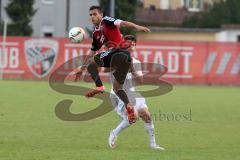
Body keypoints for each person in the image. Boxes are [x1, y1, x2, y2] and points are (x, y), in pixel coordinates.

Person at [75, 6, 151, 124]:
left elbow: (123, 23)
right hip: (124, 58)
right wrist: (82, 69)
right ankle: (129, 107)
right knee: (117, 88)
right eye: (90, 15)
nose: (92, 17)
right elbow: (92, 51)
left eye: (95, 14)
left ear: (101, 14)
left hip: (117, 52)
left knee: (91, 64)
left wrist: (137, 27)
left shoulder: (106, 21)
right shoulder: (96, 33)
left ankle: (99, 87)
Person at [108, 35, 165, 150]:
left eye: (133, 44)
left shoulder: (136, 62)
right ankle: (114, 133)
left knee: (146, 115)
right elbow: (112, 78)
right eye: (128, 44)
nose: (131, 46)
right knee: (133, 117)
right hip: (118, 94)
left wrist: (132, 69)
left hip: (132, 93)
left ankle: (153, 145)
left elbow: (140, 81)